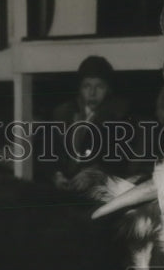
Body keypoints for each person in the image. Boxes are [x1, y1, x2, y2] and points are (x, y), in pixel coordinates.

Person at [50, 55, 134, 189]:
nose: (92, 93)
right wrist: (57, 174)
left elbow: (119, 162)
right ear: (79, 88)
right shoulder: (63, 113)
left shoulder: (119, 117)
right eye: (86, 86)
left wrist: (95, 172)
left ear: (109, 89)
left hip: (100, 192)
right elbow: (52, 153)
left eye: (99, 86)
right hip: (65, 190)